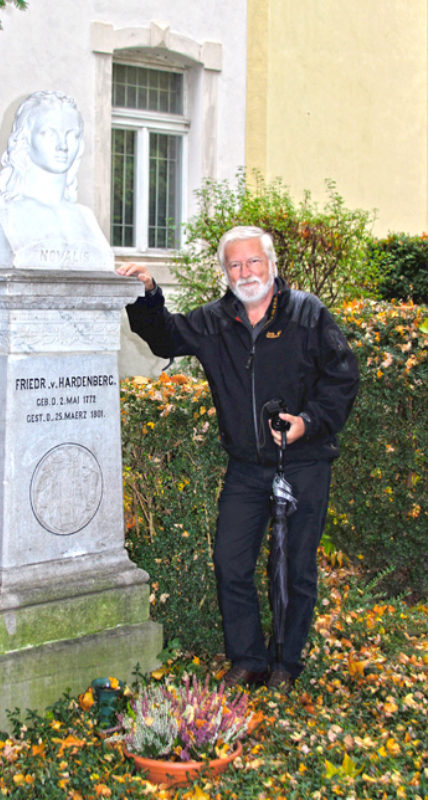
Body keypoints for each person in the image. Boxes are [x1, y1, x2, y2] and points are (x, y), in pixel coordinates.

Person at [117, 226, 359, 689]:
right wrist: (146, 293)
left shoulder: (308, 314)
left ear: (271, 265)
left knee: (293, 569)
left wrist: (308, 421)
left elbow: (343, 377)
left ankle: (286, 665)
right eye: (235, 264)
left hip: (304, 462)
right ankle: (248, 658)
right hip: (247, 467)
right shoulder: (214, 320)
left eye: (254, 262)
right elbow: (165, 338)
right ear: (224, 271)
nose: (246, 272)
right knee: (231, 562)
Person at [0, 90, 113, 270]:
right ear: (25, 138)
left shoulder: (85, 218)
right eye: (49, 133)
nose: (63, 146)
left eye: (71, 135)